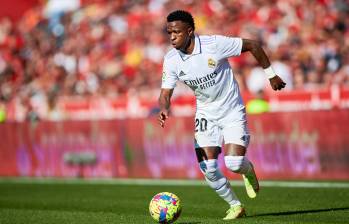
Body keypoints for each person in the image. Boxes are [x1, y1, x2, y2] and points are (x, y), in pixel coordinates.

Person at [157, 10, 286, 220]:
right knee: (208, 168)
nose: (172, 37)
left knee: (234, 163)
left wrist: (271, 75)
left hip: (231, 109)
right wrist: (164, 107)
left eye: (177, 32)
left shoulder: (213, 45)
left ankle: (247, 170)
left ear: (190, 31)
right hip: (206, 114)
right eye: (169, 32)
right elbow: (164, 93)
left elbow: (253, 44)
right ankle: (236, 206)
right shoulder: (171, 59)